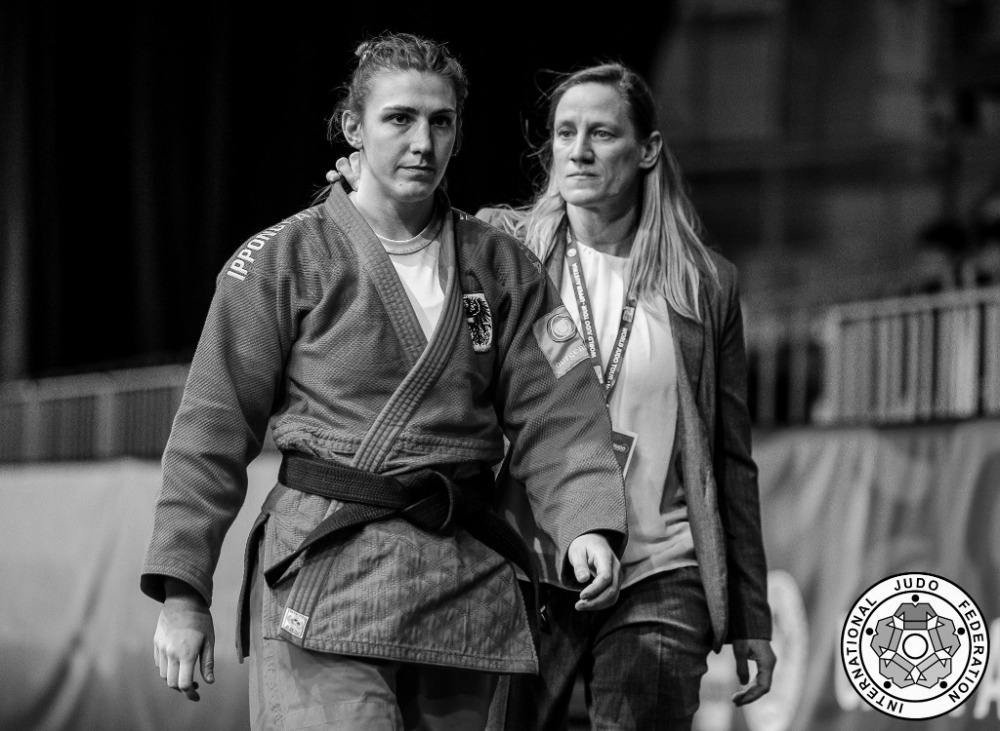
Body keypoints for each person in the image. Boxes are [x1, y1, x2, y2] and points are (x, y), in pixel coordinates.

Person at [141, 33, 630, 731]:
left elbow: (562, 412)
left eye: (441, 121)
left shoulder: (501, 265)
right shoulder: (282, 258)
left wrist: (585, 522)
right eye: (399, 118)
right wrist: (184, 593)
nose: (423, 142)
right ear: (353, 126)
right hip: (327, 578)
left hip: (461, 585)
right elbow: (210, 430)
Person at [332, 60, 777, 729]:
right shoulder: (504, 248)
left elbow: (729, 461)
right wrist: (365, 191)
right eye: (565, 133)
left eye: (602, 133)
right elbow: (409, 238)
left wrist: (751, 617)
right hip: (521, 562)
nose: (579, 150)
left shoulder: (702, 284)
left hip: (659, 568)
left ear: (648, 149)